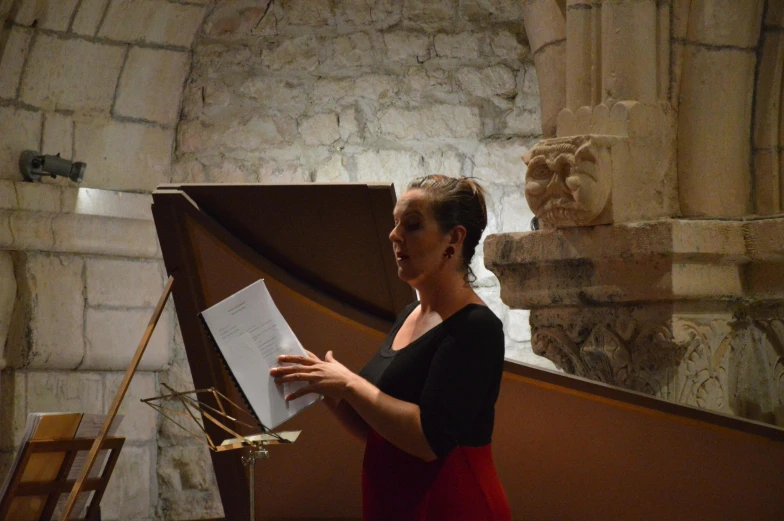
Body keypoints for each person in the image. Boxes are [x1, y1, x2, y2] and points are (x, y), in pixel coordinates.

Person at [270, 175, 511, 521]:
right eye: (395, 223)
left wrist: (349, 383)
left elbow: (430, 440)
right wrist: (324, 385)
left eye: (411, 225)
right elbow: (377, 429)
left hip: (449, 505)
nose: (394, 235)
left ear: (454, 239)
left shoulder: (476, 327)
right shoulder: (409, 314)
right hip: (396, 503)